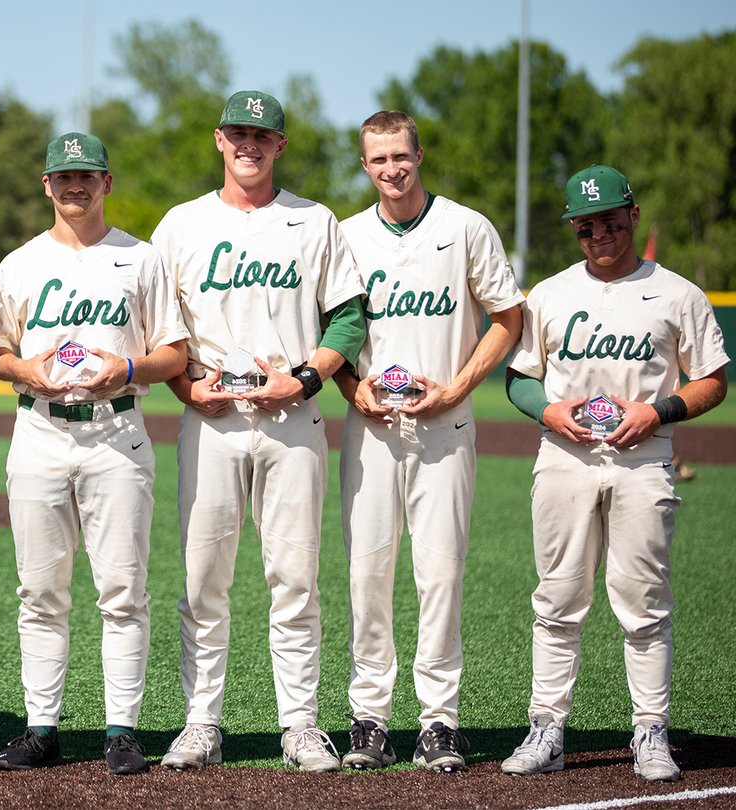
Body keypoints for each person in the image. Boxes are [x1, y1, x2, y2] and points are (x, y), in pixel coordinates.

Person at [151, 90, 366, 772]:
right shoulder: (181, 225)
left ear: (280, 144)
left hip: (291, 419)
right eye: (238, 133)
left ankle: (300, 725)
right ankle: (200, 723)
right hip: (209, 422)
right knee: (203, 579)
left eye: (262, 135)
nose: (249, 144)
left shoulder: (315, 221)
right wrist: (184, 385)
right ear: (219, 139)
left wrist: (306, 377)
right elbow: (156, 325)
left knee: (295, 579)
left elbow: (350, 320)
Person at [501, 165, 728, 782]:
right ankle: (546, 727)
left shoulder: (678, 292)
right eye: (585, 224)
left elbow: (712, 379)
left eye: (608, 219)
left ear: (631, 213)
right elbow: (519, 378)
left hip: (643, 460)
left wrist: (660, 410)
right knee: (557, 598)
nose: (598, 232)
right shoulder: (548, 294)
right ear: (574, 227)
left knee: (644, 601)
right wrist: (550, 409)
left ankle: (650, 731)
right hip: (565, 459)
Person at [0, 132, 188, 776]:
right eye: (63, 176)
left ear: (107, 182)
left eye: (87, 176)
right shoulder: (18, 264)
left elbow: (175, 354)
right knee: (39, 590)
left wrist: (127, 366)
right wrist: (25, 369)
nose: (75, 186)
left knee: (122, 589)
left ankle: (122, 729)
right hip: (40, 431)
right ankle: (42, 727)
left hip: (116, 433)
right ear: (46, 185)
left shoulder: (142, 258)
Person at [332, 110, 524, 772]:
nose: (392, 168)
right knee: (369, 576)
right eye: (378, 159)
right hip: (373, 431)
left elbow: (508, 318)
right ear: (365, 165)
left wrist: (461, 385)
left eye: (401, 156)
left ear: (420, 155)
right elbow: (333, 329)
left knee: (440, 574)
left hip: (446, 425)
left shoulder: (466, 228)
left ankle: (439, 721)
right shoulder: (348, 235)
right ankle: (369, 720)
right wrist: (349, 385)